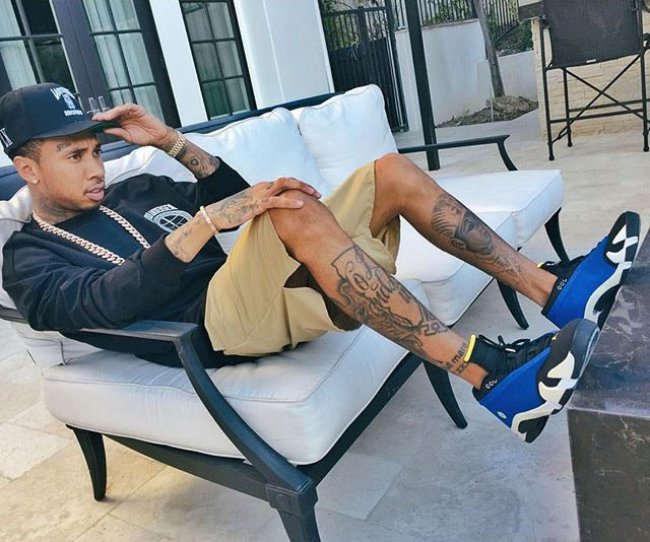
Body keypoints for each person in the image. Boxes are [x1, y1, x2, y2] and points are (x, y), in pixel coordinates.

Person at [0, 83, 640, 443]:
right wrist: (207, 223)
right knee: (289, 209)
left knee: (388, 171)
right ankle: (493, 376)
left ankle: (556, 292)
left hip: (257, 289)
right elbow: (100, 305)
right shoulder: (29, 255)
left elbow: (231, 197)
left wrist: (169, 142)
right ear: (27, 168)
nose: (95, 167)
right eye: (73, 156)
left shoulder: (136, 189)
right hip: (213, 326)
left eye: (95, 150)